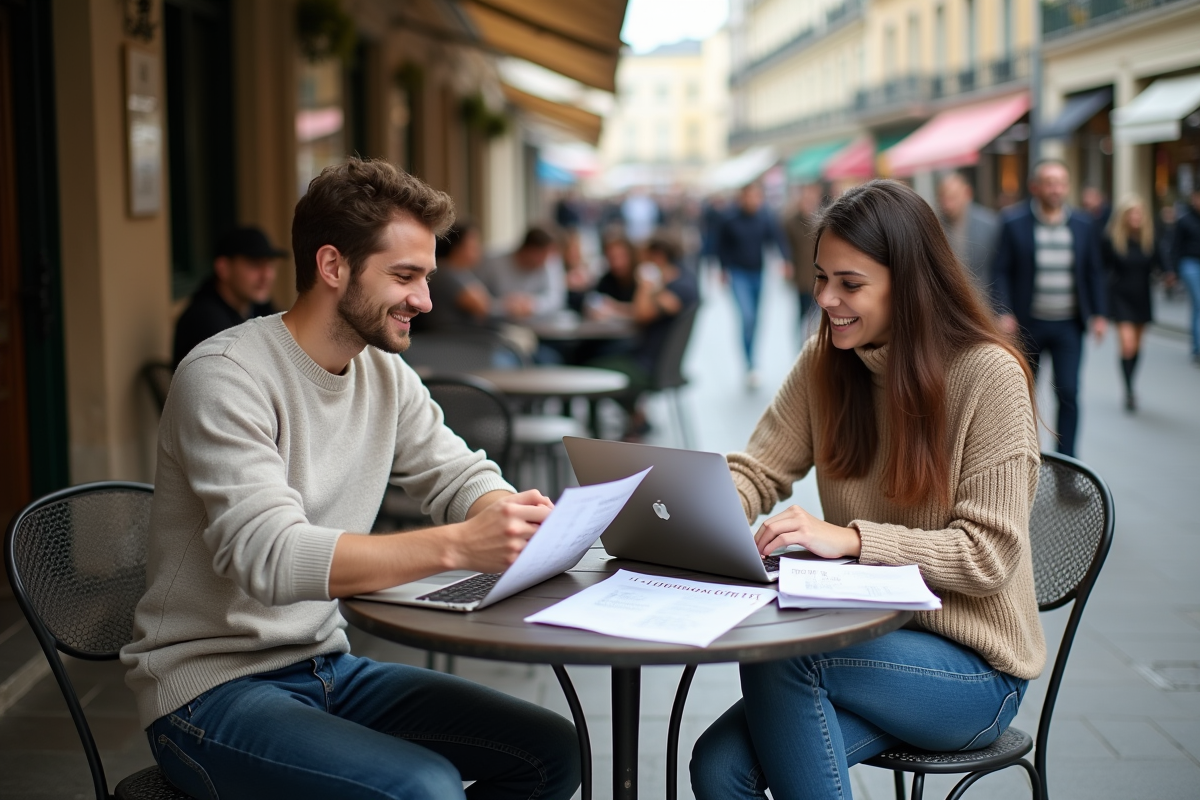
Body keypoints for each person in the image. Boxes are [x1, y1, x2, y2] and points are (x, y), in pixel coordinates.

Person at [121, 158, 581, 800]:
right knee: (423, 788)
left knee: (551, 752)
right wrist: (458, 545)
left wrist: (507, 512)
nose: (424, 299)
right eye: (405, 276)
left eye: (427, 277)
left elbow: (457, 472)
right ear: (333, 266)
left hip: (328, 667)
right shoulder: (225, 375)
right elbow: (270, 558)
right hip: (208, 694)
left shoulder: (382, 373)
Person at [690, 179, 1044, 800]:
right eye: (821, 277)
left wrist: (852, 540)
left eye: (850, 284)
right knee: (720, 769)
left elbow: (989, 555)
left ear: (908, 283)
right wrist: (683, 510)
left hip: (974, 670)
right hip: (868, 644)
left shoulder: (989, 376)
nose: (826, 299)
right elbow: (759, 469)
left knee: (788, 656)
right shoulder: (825, 362)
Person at [992, 159, 1107, 457]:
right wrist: (1003, 311)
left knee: (1068, 392)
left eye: (1061, 183)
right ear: (1036, 187)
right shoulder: (1013, 222)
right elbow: (1000, 270)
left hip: (1069, 324)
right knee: (1024, 394)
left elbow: (1094, 270)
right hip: (1027, 324)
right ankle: (1024, 456)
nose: (1056, 189)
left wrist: (1099, 314)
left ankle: (1069, 463)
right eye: (1050, 182)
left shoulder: (1083, 225)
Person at [586, 237, 699, 440]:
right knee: (602, 355)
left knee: (590, 368)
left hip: (650, 367)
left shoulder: (680, 287)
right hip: (651, 361)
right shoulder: (680, 281)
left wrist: (645, 282)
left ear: (657, 257)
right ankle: (635, 419)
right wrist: (616, 308)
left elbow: (642, 313)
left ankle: (593, 435)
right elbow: (643, 311)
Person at [172, 226, 285, 367]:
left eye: (270, 265)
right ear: (223, 268)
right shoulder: (205, 318)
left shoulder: (259, 306)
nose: (266, 275)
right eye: (254, 265)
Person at [717, 182, 793, 388]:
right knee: (747, 317)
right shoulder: (729, 219)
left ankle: (753, 359)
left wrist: (785, 261)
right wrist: (722, 269)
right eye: (749, 196)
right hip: (737, 273)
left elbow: (777, 239)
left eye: (756, 197)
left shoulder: (765, 217)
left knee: (756, 320)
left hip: (758, 274)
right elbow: (721, 245)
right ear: (742, 198)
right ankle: (749, 364)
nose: (752, 201)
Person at [1102, 195, 1162, 411]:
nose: (1136, 217)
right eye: (1132, 213)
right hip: (1120, 297)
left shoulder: (1149, 240)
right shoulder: (1113, 240)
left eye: (1139, 213)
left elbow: (1160, 265)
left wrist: (1170, 274)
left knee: (1136, 346)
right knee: (1127, 345)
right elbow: (1101, 268)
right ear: (1124, 217)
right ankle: (1128, 391)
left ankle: (1131, 383)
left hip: (1142, 297)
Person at [411, 218, 493, 332]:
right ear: (457, 248)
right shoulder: (445, 273)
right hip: (449, 337)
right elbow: (482, 307)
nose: (478, 250)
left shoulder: (463, 272)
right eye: (473, 246)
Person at [477, 225, 565, 322]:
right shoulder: (492, 262)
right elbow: (477, 297)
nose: (544, 261)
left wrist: (533, 304)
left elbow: (556, 298)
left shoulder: (550, 262)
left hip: (541, 325)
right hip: (498, 324)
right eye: (540, 255)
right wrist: (504, 305)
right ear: (526, 250)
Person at [937, 172, 999, 293]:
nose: (947, 204)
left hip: (983, 299)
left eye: (952, 197)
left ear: (967, 193)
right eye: (942, 198)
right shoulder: (934, 224)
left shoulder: (990, 223)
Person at [782, 184, 823, 332]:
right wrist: (787, 263)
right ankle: (801, 338)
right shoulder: (790, 222)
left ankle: (813, 337)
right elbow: (785, 245)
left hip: (818, 272)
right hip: (801, 274)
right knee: (803, 309)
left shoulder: (821, 220)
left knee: (818, 309)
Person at [1171, 188, 1200, 364]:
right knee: (1199, 303)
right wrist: (1172, 271)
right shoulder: (1184, 220)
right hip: (1189, 264)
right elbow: (1175, 246)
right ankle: (1197, 348)